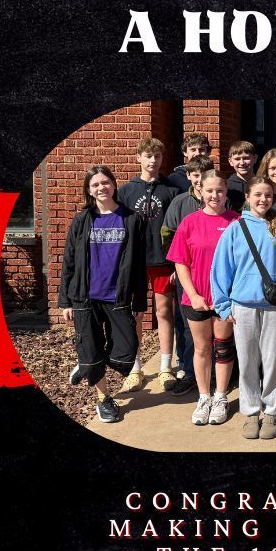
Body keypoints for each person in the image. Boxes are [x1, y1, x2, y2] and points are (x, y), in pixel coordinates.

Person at [211, 177, 276, 440]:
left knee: (274, 361)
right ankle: (251, 412)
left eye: (268, 195)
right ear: (247, 196)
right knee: (247, 361)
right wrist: (222, 305)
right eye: (257, 195)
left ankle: (271, 411)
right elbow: (221, 269)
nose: (263, 200)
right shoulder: (236, 228)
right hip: (243, 305)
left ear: (274, 197)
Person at [59, 166, 147, 423]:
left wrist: (140, 300)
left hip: (118, 296)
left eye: (105, 182)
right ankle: (104, 399)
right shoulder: (82, 219)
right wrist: (65, 300)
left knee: (127, 349)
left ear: (114, 185)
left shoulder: (131, 218)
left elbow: (139, 265)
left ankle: (88, 364)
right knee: (93, 348)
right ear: (89, 190)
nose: (101, 188)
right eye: (95, 184)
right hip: (85, 297)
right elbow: (69, 261)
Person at [167, 171, 240, 426]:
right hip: (196, 299)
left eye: (219, 190)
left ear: (225, 192)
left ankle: (220, 396)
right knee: (200, 348)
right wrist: (194, 295)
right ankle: (204, 396)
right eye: (209, 191)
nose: (214, 195)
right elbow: (180, 262)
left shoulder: (236, 221)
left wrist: (230, 295)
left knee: (223, 346)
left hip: (224, 300)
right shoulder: (189, 222)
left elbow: (242, 263)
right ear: (201, 192)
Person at [116, 138, 180, 393]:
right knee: (136, 315)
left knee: (164, 312)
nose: (153, 161)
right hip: (135, 263)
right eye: (148, 156)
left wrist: (177, 263)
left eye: (158, 157)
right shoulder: (125, 192)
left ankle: (165, 367)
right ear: (138, 158)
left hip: (163, 261)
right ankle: (135, 369)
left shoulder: (171, 191)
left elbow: (176, 230)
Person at [162, 154, 214, 395]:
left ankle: (213, 370)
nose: (200, 180)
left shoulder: (219, 199)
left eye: (205, 175)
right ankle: (188, 370)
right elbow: (167, 235)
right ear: (188, 176)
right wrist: (175, 266)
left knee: (217, 325)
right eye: (195, 175)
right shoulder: (180, 202)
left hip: (215, 276)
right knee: (186, 325)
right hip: (187, 275)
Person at [226, 140, 258, 211]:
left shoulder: (262, 184)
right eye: (237, 159)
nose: (242, 163)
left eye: (246, 158)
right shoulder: (226, 186)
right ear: (230, 162)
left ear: (255, 158)